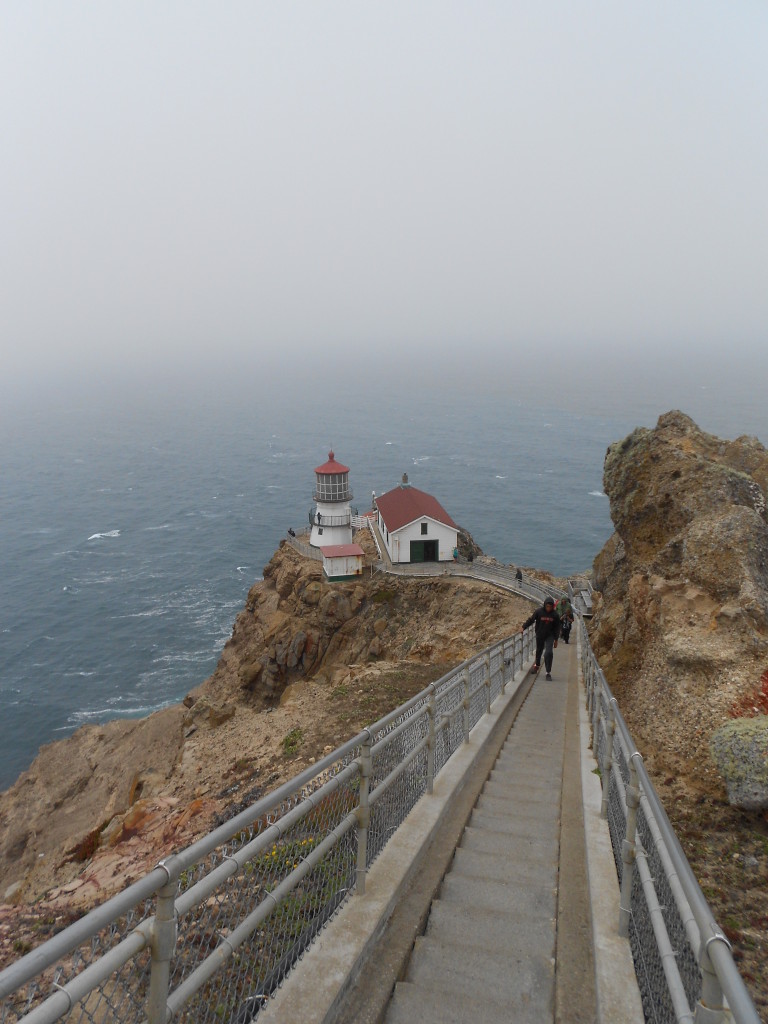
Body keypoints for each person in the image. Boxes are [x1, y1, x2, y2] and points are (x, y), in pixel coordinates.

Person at [521, 597, 561, 680]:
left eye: (550, 607)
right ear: (545, 605)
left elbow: (557, 628)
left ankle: (548, 672)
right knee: (539, 651)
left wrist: (556, 640)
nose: (549, 608)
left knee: (548, 653)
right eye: (547, 606)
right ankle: (537, 665)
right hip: (540, 634)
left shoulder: (555, 615)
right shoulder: (539, 612)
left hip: (550, 636)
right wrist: (523, 627)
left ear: (552, 606)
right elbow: (531, 620)